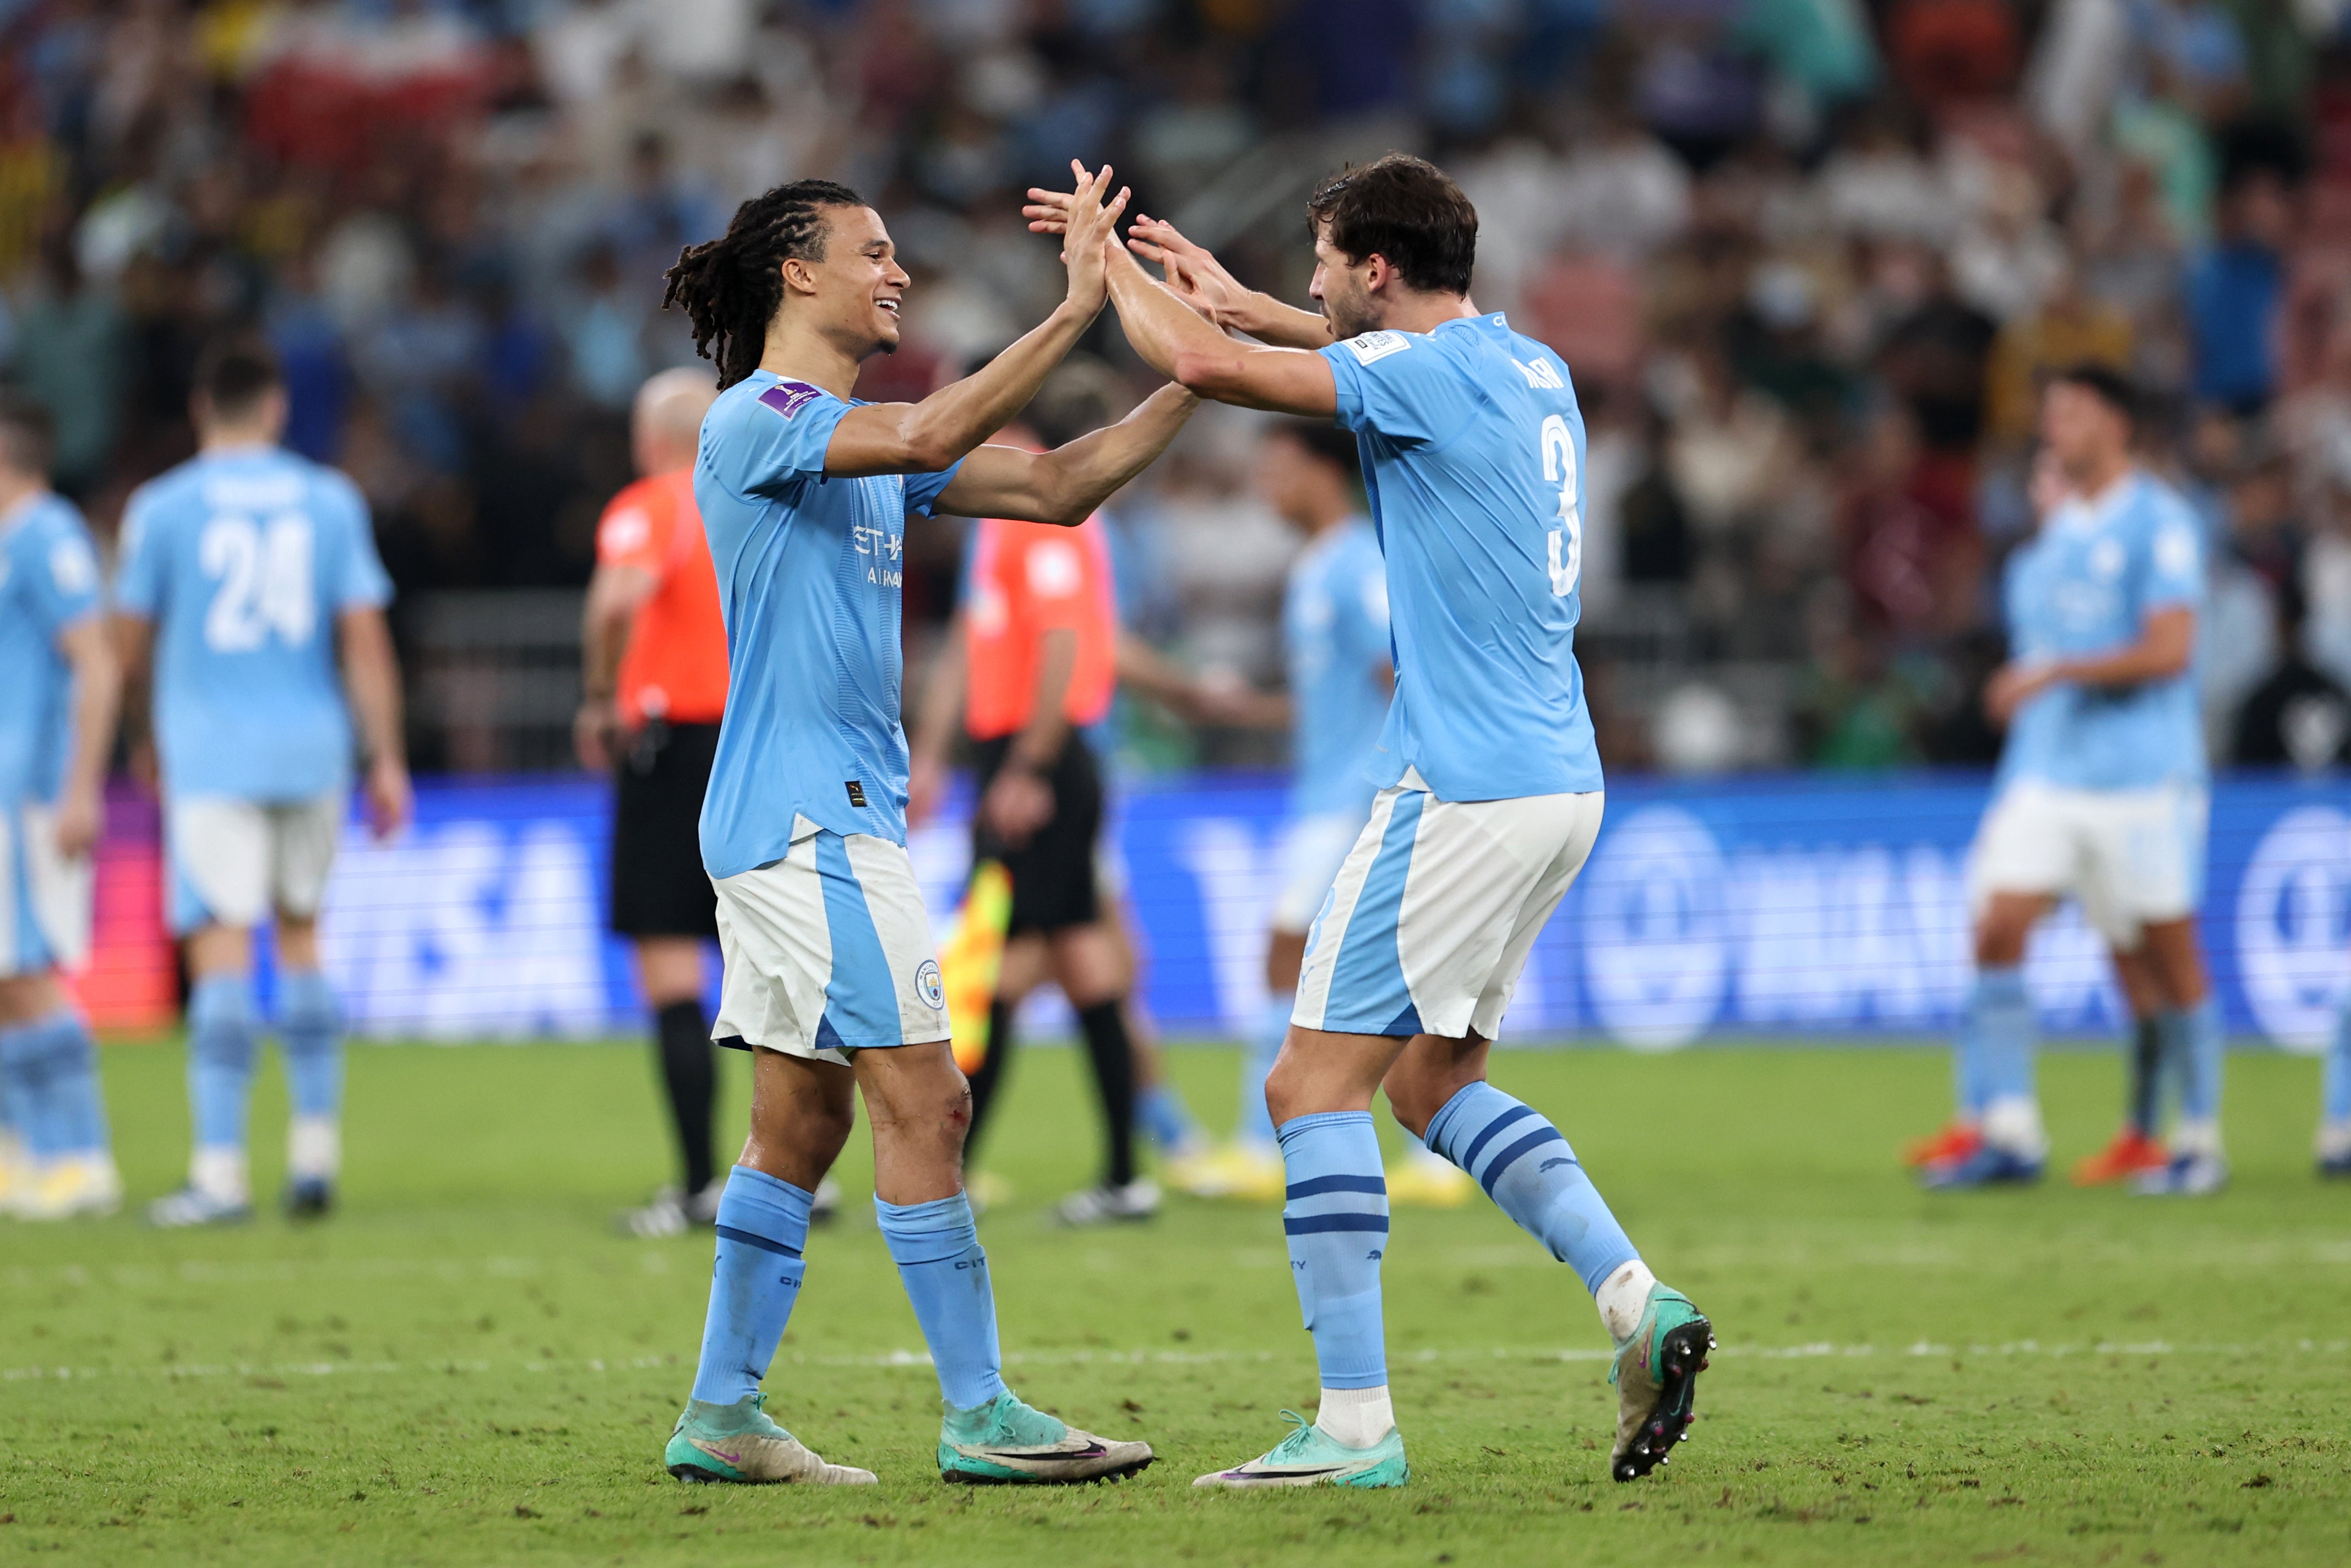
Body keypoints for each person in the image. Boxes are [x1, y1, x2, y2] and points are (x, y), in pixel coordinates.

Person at [1027, 153, 1712, 1489]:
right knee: (1425, 1082)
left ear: (1376, 268)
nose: (1312, 282)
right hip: (1557, 783)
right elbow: (1361, 359)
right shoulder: (1526, 367)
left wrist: (1105, 275)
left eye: (1323, 262)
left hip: (1456, 781)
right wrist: (1241, 302)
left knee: (1304, 1084)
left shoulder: (1423, 375)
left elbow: (1219, 376)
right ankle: (1638, 1301)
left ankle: (1351, 1425)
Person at [654, 172, 1195, 1485]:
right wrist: (1073, 308)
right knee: (928, 1097)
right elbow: (924, 433)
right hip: (811, 824)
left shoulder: (851, 437)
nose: (896, 273)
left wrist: (1202, 371)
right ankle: (980, 1410)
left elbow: (1061, 483)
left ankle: (722, 1414)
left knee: (800, 1125)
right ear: (797, 271)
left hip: (810, 821)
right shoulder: (758, 420)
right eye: (873, 252)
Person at [115, 337, 411, 1227]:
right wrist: (386, 754)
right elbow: (363, 637)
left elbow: (130, 643)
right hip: (312, 750)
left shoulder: (162, 507)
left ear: (202, 410)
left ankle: (220, 1173)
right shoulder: (328, 499)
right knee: (302, 940)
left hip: (211, 751)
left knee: (218, 949)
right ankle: (315, 1157)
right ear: (276, 409)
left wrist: (141, 735)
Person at [1917, 366, 2222, 1196]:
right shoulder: (2044, 550)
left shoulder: (2162, 522)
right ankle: (2008, 1126)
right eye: (2049, 414)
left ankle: (2197, 1138)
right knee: (1996, 924)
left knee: (2163, 954)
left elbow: (2168, 651)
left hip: (2140, 776)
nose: (2055, 428)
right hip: (2051, 778)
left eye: (2074, 414)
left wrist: (2051, 675)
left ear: (2118, 425)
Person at [1179, 420, 1470, 1208]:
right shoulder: (1313, 566)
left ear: (1321, 473)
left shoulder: (1353, 562)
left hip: (1357, 799)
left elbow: (1399, 674)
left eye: (1279, 467)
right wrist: (1249, 712)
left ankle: (1261, 1143)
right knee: (1366, 966)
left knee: (1289, 952)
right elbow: (1330, 705)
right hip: (1327, 793)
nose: (1266, 484)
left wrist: (1410, 785)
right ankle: (1419, 1152)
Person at [907, 398, 1169, 1226]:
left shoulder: (1039, 506)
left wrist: (1029, 765)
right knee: (1073, 962)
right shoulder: (995, 512)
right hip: (1019, 757)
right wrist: (936, 755)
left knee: (999, 969)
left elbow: (1062, 639)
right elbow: (970, 643)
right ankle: (1122, 1175)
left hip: (1038, 760)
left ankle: (948, 1170)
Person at [576, 368, 780, 1238]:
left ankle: (700, 1184)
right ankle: (787, 1173)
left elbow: (617, 598)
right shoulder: (757, 501)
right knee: (767, 970)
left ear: (649, 437)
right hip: (757, 746)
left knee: (670, 971)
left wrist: (596, 695)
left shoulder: (653, 502)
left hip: (672, 751)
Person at [0, 393, 122, 1220]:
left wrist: (81, 787)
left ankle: (82, 1158)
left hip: (33, 792)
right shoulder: (15, 541)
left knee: (28, 968)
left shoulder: (48, 536)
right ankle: (20, 1156)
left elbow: (98, 663)